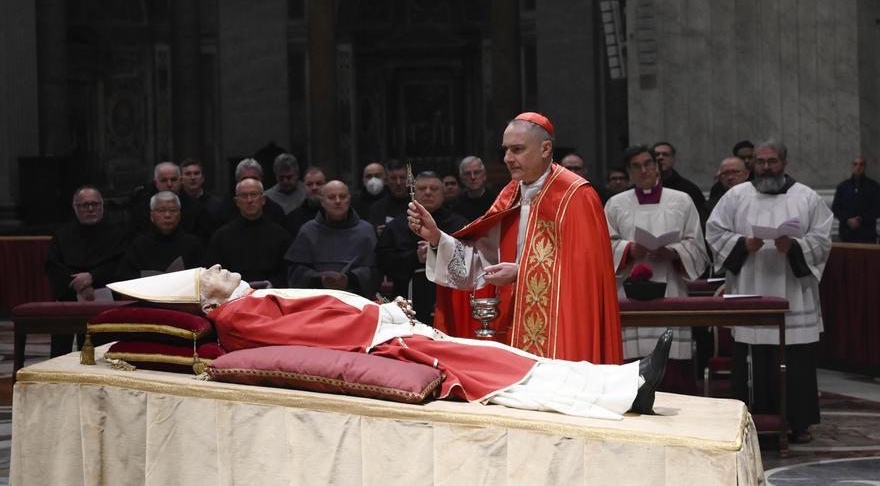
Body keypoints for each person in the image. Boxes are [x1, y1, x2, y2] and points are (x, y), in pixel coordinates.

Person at [106, 265, 674, 419]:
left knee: (504, 358)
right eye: (211, 274)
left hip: (385, 330)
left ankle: (622, 382)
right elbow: (310, 335)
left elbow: (324, 311)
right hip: (384, 346)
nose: (221, 268)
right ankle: (623, 389)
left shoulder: (245, 300)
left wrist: (380, 312)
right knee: (499, 370)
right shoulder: (238, 316)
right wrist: (382, 322)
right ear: (205, 302)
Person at [408, 112, 621, 364]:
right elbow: (481, 262)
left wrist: (521, 273)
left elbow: (584, 278)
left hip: (562, 333)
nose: (508, 159)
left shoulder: (575, 196)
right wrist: (436, 237)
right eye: (506, 150)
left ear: (545, 148)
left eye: (517, 149)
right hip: (511, 327)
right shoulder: (511, 194)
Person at [706, 138, 832, 444]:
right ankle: (747, 422)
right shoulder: (737, 196)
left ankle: (797, 423)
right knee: (754, 358)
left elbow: (823, 238)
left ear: (784, 163)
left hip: (793, 294)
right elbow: (714, 230)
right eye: (760, 162)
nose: (765, 167)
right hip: (751, 286)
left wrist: (795, 247)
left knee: (795, 360)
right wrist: (743, 245)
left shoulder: (807, 197)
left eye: (771, 162)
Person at [604, 145, 708, 393]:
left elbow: (697, 246)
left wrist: (672, 252)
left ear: (657, 166)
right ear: (629, 172)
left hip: (670, 287)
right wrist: (628, 250)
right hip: (629, 290)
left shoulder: (681, 201)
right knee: (633, 369)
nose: (644, 170)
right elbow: (602, 245)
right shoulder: (616, 204)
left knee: (672, 369)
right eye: (637, 166)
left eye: (648, 163)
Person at [45, 186, 127, 356]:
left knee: (103, 352)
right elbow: (53, 265)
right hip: (69, 296)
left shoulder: (118, 233)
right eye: (84, 205)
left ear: (102, 205)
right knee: (61, 352)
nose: (90, 209)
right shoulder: (62, 234)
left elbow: (121, 264)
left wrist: (93, 277)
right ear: (75, 207)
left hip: (105, 296)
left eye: (94, 204)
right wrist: (79, 286)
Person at [377, 172, 467, 325]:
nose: (428, 192)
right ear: (413, 192)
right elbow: (382, 262)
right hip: (407, 299)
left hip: (449, 298)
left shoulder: (460, 224)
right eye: (422, 188)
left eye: (434, 188)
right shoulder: (396, 226)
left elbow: (470, 260)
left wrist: (440, 251)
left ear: (443, 193)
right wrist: (415, 257)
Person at [285, 180, 378, 297]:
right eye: (332, 197)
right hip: (316, 300)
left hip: (356, 300)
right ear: (322, 201)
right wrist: (320, 280)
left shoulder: (366, 230)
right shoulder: (308, 230)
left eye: (342, 197)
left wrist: (350, 279)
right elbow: (295, 272)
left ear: (349, 200)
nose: (338, 201)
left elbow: (376, 271)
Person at [205, 178, 292, 288]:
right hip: (234, 298)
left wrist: (274, 284)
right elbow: (214, 274)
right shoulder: (221, 237)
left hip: (271, 296)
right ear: (237, 202)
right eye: (244, 196)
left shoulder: (280, 235)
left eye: (254, 194)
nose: (249, 200)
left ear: (263, 199)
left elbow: (288, 272)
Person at [116, 191, 202, 280]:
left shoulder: (192, 244)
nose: (167, 215)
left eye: (173, 210)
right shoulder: (139, 245)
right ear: (152, 216)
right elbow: (125, 277)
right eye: (161, 210)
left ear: (179, 215)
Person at [652, 142, 708, 226]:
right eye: (657, 155)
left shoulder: (690, 190)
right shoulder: (641, 189)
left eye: (665, 154)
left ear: (673, 159)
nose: (660, 157)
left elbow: (698, 222)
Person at [831, 155, 880, 243]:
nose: (858, 167)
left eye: (861, 164)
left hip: (867, 233)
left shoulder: (874, 186)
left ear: (864, 167)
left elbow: (878, 208)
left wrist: (861, 219)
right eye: (855, 164)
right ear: (852, 166)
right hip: (846, 233)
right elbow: (836, 208)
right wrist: (847, 220)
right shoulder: (842, 187)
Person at [180, 159, 227, 230]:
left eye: (196, 173)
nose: (193, 177)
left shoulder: (217, 204)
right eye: (188, 174)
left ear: (202, 178)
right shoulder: (176, 204)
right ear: (181, 180)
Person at [368, 159, 410, 235]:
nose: (398, 183)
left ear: (409, 180)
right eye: (393, 178)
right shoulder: (377, 208)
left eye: (402, 178)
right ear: (386, 181)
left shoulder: (416, 206)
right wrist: (376, 232)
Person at [283, 166, 327, 239]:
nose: (314, 188)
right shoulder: (292, 219)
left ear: (326, 186)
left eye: (319, 183)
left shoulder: (334, 214)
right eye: (309, 184)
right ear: (304, 187)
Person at [451, 156, 498, 222]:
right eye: (467, 173)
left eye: (476, 172)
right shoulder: (456, 205)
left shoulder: (496, 201)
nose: (472, 177)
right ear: (461, 178)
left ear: (484, 175)